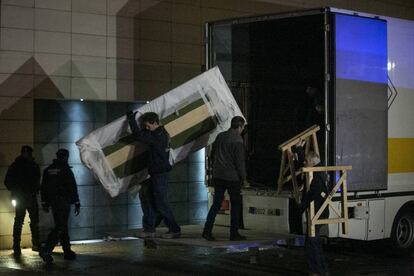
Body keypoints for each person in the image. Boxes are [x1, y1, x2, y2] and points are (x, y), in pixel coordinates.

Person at [127, 111, 181, 239]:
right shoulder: (161, 133)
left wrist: (131, 120)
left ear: (155, 123)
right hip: (156, 173)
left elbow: (139, 136)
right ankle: (149, 229)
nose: (146, 128)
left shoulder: (158, 137)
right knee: (149, 202)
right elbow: (144, 135)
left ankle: (174, 229)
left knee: (161, 203)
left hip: (159, 173)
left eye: (148, 126)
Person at [202, 116, 248, 241]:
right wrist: (244, 178)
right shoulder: (238, 140)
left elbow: (212, 154)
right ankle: (234, 233)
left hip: (218, 175)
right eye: (243, 127)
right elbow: (239, 162)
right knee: (235, 205)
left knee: (216, 204)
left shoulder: (220, 136)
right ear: (240, 127)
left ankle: (207, 230)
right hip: (232, 177)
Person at [39, 149, 81, 263]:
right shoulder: (65, 169)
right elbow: (72, 186)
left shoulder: (48, 170)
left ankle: (67, 251)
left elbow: (44, 187)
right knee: (61, 226)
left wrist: (45, 202)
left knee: (62, 225)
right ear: (65, 157)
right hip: (64, 202)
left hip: (53, 202)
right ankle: (46, 250)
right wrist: (76, 202)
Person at [4, 145, 41, 256]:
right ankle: (34, 244)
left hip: (22, 197)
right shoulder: (31, 165)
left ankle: (17, 246)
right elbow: (36, 180)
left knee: (20, 221)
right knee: (31, 221)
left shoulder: (15, 165)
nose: (28, 155)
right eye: (28, 153)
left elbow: (8, 181)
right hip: (28, 196)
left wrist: (16, 191)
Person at [298, 148, 330, 276]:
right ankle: (316, 270)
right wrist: (300, 150)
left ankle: (321, 270)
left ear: (312, 161)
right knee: (311, 242)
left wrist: (301, 206)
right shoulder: (316, 171)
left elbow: (312, 194)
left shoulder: (316, 175)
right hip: (317, 212)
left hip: (317, 213)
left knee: (313, 242)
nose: (304, 164)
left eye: (306, 161)